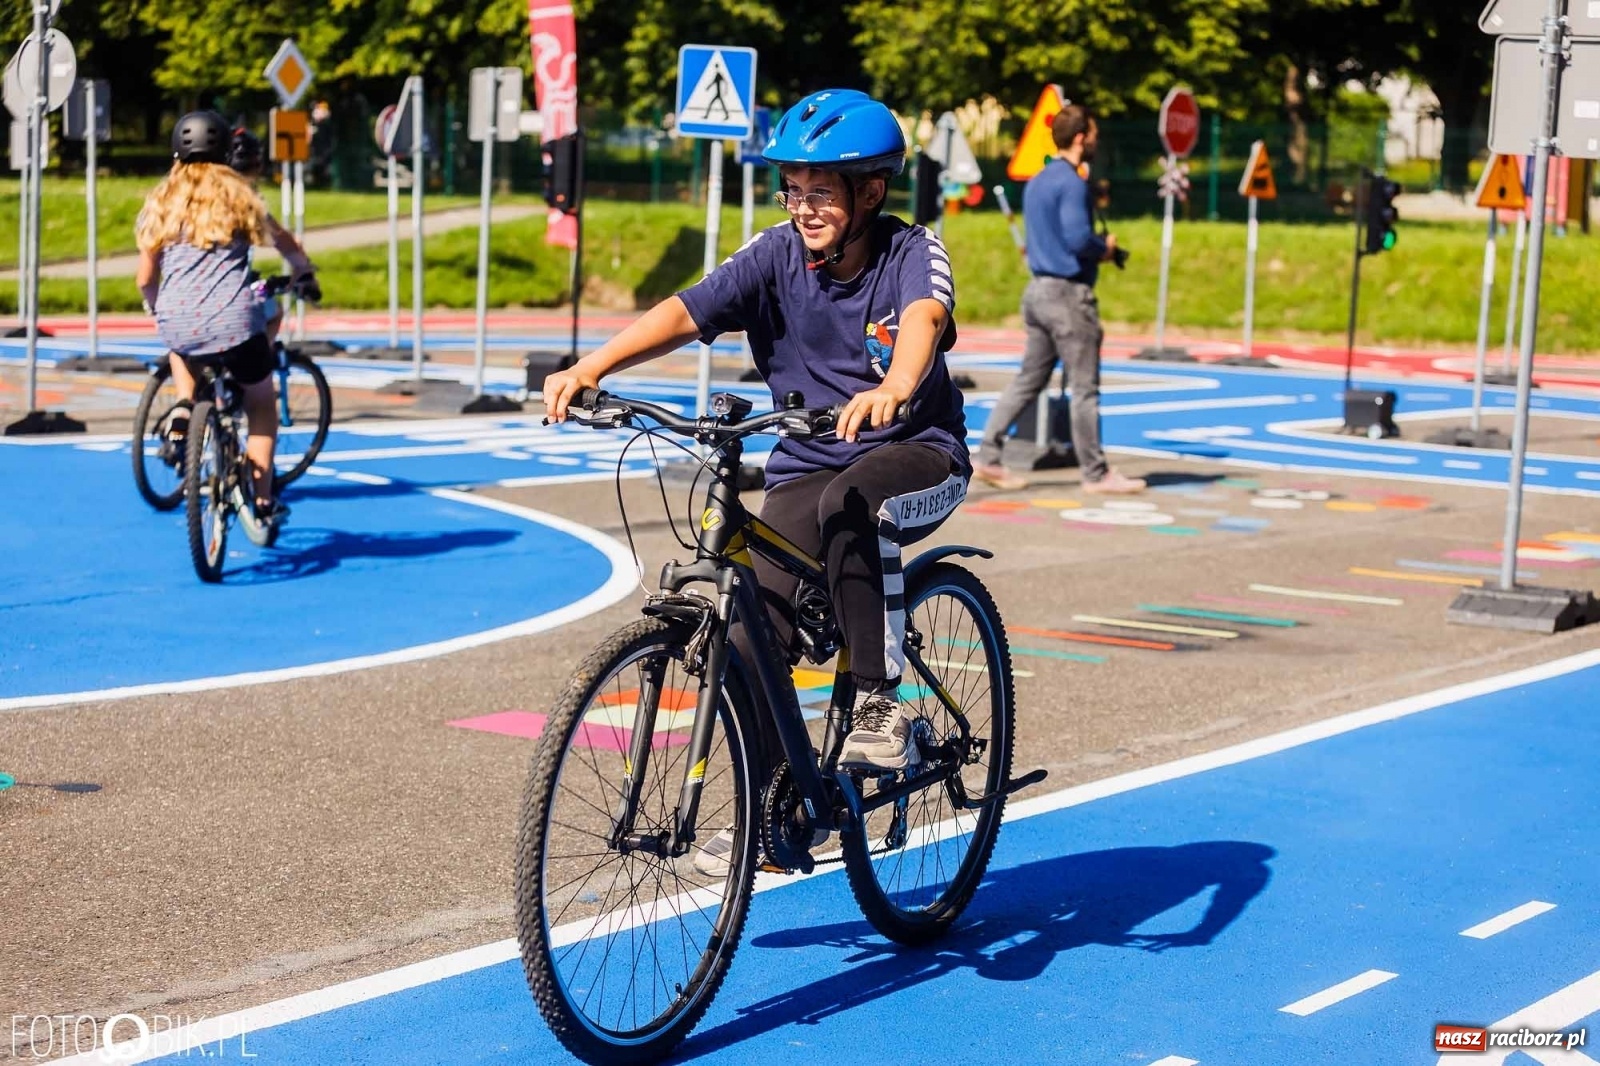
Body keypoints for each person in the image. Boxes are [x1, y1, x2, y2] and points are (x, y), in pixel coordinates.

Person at [543, 89, 970, 870]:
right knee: (743, 629)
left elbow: (924, 321)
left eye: (821, 191)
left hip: (917, 450)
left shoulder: (912, 252)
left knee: (854, 505)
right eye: (793, 190)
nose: (803, 207)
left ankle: (881, 699)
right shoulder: (773, 255)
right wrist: (592, 365)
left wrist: (895, 388)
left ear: (870, 192)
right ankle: (789, 810)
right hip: (807, 460)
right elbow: (686, 309)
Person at [135, 111, 316, 528]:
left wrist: (155, 306)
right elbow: (285, 242)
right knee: (261, 404)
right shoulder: (239, 196)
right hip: (235, 322)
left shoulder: (161, 200)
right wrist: (302, 268)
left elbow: (145, 277)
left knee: (180, 340)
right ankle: (265, 500)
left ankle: (184, 405)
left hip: (180, 321)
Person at [971, 106, 1145, 494]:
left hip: (1038, 292)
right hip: (1068, 295)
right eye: (1094, 134)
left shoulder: (1038, 181)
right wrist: (1106, 248)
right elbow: (1078, 239)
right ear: (1081, 137)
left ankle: (987, 455)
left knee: (1028, 380)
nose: (1096, 140)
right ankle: (1096, 474)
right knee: (1085, 387)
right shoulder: (1071, 183)